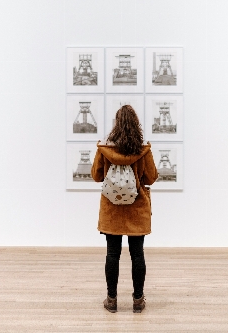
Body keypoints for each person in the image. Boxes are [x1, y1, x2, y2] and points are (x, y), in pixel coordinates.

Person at [91, 105, 158, 313]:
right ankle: (138, 301)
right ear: (135, 125)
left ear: (116, 125)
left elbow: (96, 176)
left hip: (112, 209)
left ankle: (111, 300)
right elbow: (151, 178)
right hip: (137, 208)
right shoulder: (143, 150)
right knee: (137, 254)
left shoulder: (105, 150)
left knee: (112, 254)